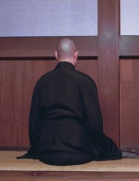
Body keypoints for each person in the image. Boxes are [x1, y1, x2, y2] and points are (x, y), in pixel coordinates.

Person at [18, 38, 122, 166]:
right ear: (76, 55)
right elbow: (94, 124)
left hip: (48, 151)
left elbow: (34, 124)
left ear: (56, 55)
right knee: (110, 148)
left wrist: (37, 146)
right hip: (79, 149)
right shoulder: (86, 82)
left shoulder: (42, 82)